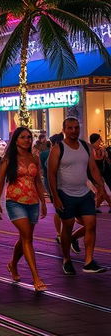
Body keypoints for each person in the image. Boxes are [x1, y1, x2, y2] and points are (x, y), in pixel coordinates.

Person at [47, 116, 108, 274]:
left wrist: (100, 186)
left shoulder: (86, 147)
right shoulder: (58, 148)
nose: (74, 131)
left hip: (84, 193)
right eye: (70, 128)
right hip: (65, 193)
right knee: (67, 228)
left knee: (91, 224)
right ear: (64, 130)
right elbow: (51, 174)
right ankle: (67, 259)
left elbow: (93, 169)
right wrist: (55, 197)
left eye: (76, 128)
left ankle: (89, 261)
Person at [0, 127, 47, 291]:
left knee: (25, 237)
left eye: (29, 137)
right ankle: (36, 278)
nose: (27, 140)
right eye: (23, 137)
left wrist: (43, 201)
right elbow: (1, 181)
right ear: (16, 140)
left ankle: (13, 264)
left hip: (33, 203)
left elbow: (37, 181)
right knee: (28, 239)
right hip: (15, 202)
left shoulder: (34, 157)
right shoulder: (9, 159)